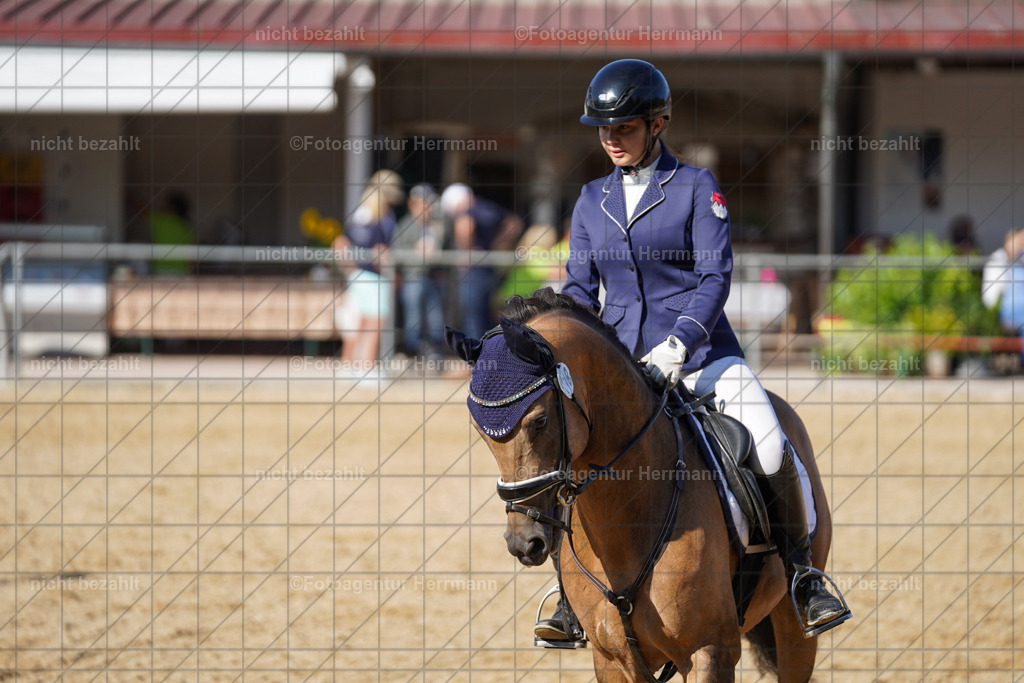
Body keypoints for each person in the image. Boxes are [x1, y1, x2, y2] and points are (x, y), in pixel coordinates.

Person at [535, 59, 850, 645]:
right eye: (603, 130)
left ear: (658, 124)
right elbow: (580, 292)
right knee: (560, 452)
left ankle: (803, 572)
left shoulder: (695, 188)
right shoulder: (590, 198)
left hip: (702, 356)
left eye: (624, 128)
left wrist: (680, 343)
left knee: (769, 440)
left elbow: (713, 278)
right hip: (620, 367)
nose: (612, 139)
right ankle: (567, 589)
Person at [333, 169, 404, 378]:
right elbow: (381, 253)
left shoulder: (361, 213)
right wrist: (392, 275)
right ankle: (366, 368)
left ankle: (349, 366)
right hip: (374, 277)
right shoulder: (383, 217)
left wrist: (350, 270)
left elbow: (340, 243)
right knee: (374, 323)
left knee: (358, 323)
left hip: (357, 276)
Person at [441, 183, 522, 338]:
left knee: (472, 315)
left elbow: (466, 225)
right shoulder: (488, 207)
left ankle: (475, 355)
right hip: (490, 269)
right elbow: (515, 223)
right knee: (487, 313)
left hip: (473, 270)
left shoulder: (466, 210)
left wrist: (466, 250)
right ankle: (490, 351)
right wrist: (496, 244)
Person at [392, 183, 446, 358]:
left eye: (428, 202)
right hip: (411, 278)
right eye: (422, 202)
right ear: (412, 203)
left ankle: (434, 352)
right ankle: (412, 351)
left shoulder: (437, 225)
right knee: (413, 319)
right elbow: (396, 255)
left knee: (435, 319)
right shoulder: (404, 225)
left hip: (432, 278)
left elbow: (444, 248)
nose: (426, 206)